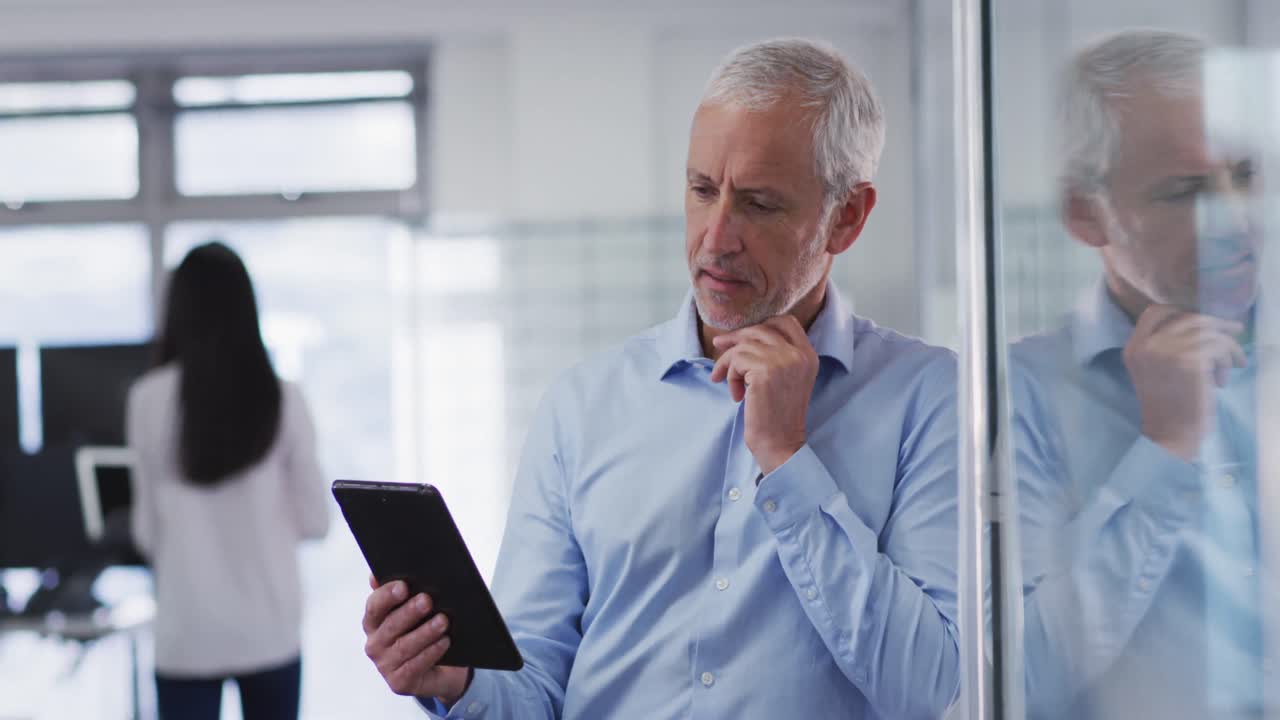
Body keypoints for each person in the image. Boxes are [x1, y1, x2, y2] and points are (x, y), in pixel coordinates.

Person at [361, 37, 960, 719]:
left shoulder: (933, 401)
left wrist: (788, 461)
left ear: (846, 217)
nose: (715, 236)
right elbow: (533, 693)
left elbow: (933, 688)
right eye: (703, 190)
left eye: (759, 203)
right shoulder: (582, 408)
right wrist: (457, 680)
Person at [1012, 29, 1270, 719]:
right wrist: (1165, 450)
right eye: (1185, 191)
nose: (1236, 222)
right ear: (1084, 213)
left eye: (1244, 176)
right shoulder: (1015, 396)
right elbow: (1014, 679)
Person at [127, 242, 331, 720]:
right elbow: (317, 520)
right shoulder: (283, 398)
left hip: (186, 634)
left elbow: (146, 534)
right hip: (270, 630)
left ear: (178, 309)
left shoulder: (147, 400)